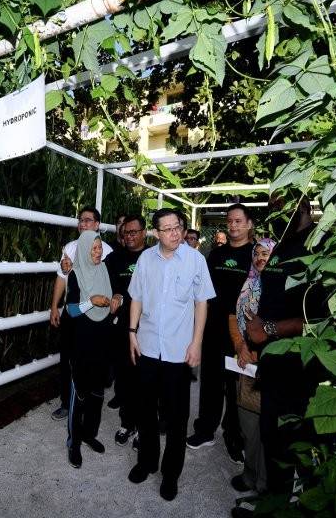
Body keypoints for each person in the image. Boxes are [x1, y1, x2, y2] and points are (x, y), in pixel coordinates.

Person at [238, 196, 324, 512]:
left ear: (302, 206)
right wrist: (254, 339)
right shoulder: (283, 245)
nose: (276, 213)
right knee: (272, 437)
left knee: (296, 443)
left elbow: (322, 318)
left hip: (298, 367)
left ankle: (294, 505)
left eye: (281, 207)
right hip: (273, 361)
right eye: (273, 208)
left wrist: (270, 329)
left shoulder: (317, 246)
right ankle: (272, 502)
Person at [127, 209, 214, 501]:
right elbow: (136, 296)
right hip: (148, 346)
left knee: (177, 418)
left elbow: (202, 303)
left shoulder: (195, 259)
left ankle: (170, 474)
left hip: (179, 351)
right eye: (166, 229)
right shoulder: (145, 260)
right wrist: (131, 332)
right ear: (156, 233)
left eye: (177, 227)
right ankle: (147, 461)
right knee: (145, 410)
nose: (174, 233)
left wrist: (197, 342)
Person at [187, 204, 254, 462]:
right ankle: (205, 431)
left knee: (236, 388)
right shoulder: (215, 255)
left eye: (238, 221)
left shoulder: (256, 254)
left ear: (249, 224)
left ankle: (234, 438)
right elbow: (202, 291)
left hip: (241, 334)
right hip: (214, 330)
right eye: (230, 221)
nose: (233, 225)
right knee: (211, 384)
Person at [49, 207, 113, 420]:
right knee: (67, 359)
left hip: (96, 317)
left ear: (97, 225)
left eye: (88, 220)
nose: (83, 224)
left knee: (92, 362)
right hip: (73, 311)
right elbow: (62, 278)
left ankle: (87, 405)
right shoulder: (70, 248)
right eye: (80, 220)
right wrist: (54, 307)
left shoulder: (107, 251)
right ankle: (67, 402)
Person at [228, 238, 277, 496]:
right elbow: (234, 316)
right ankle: (250, 474)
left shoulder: (280, 286)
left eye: (266, 254)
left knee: (267, 428)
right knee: (248, 423)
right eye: (257, 253)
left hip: (270, 364)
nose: (260, 258)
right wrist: (240, 346)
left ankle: (264, 486)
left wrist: (261, 349)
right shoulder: (249, 283)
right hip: (246, 363)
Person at [64, 230, 117, 468]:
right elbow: (72, 311)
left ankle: (89, 434)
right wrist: (92, 302)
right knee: (80, 393)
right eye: (93, 249)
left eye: (99, 248)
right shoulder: (75, 274)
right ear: (84, 251)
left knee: (97, 393)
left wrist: (116, 299)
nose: (98, 252)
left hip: (103, 341)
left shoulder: (104, 269)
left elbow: (116, 296)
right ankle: (73, 442)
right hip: (82, 343)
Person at [103, 215, 147, 445]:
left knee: (144, 379)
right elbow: (105, 286)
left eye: (134, 232)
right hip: (120, 327)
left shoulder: (152, 257)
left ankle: (143, 427)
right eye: (126, 232)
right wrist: (114, 295)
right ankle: (127, 423)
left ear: (144, 232)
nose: (129, 236)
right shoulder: (113, 258)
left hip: (146, 328)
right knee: (125, 378)